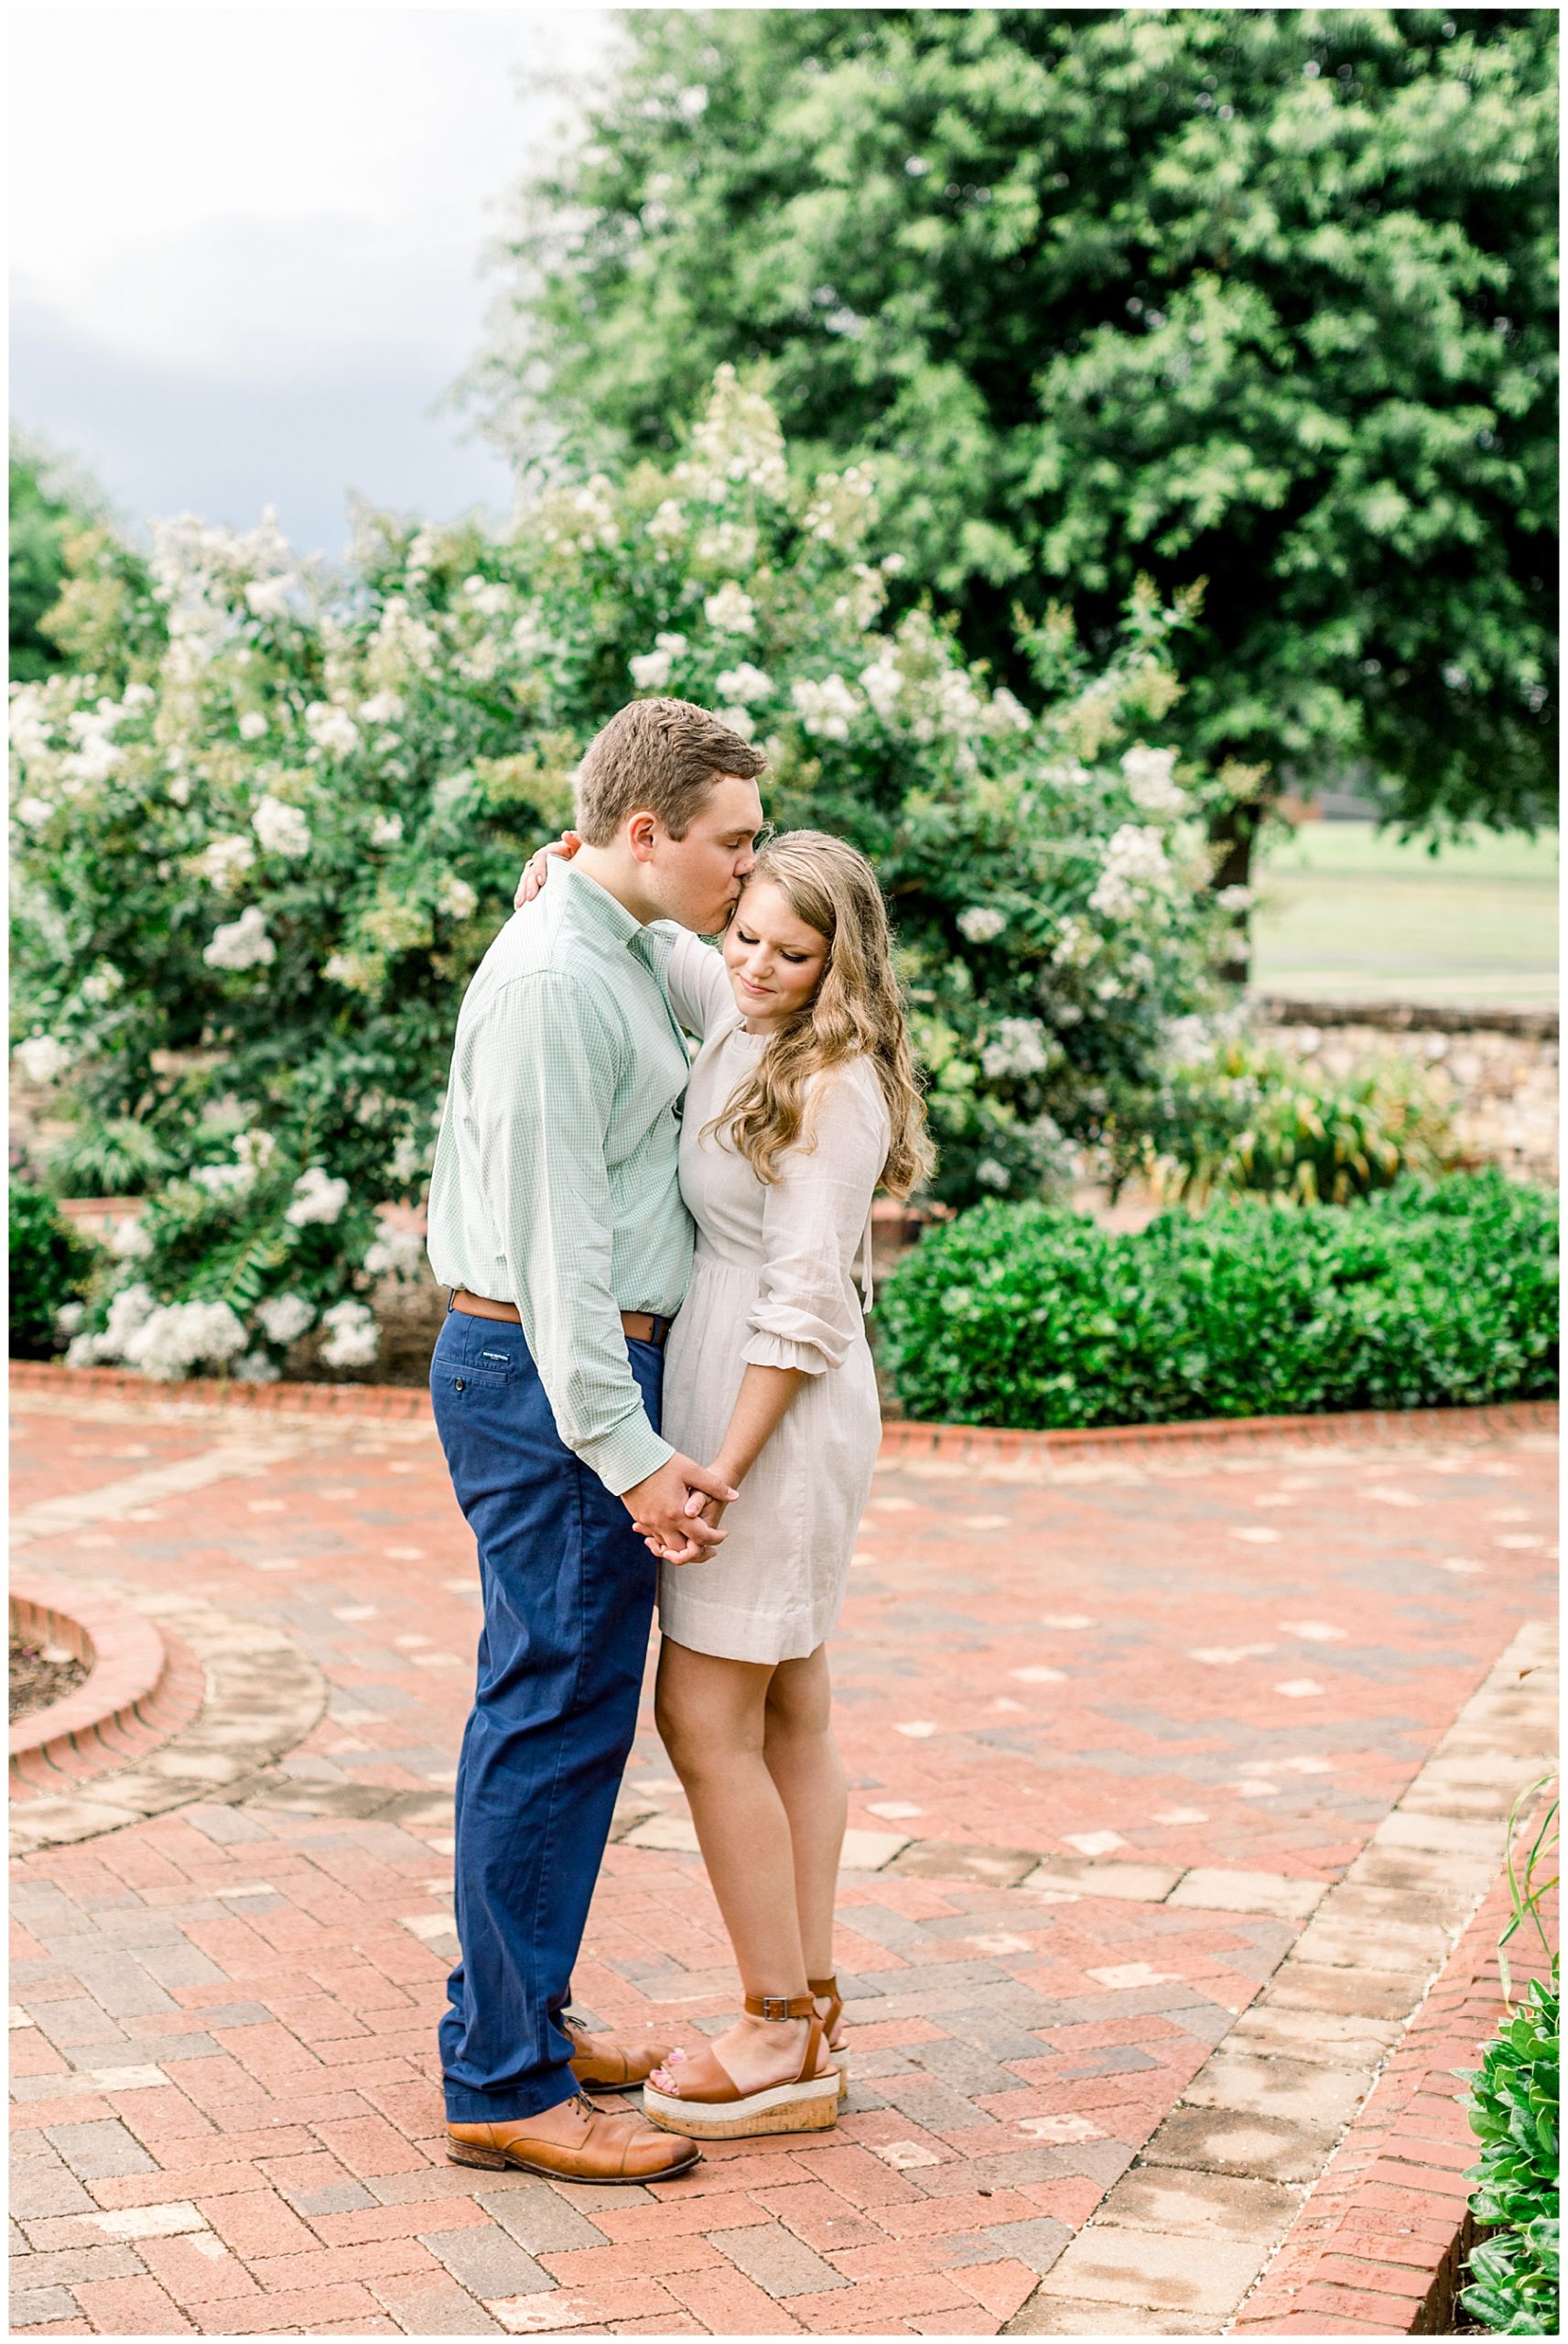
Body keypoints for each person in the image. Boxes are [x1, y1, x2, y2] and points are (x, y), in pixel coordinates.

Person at [515, 824, 931, 2141]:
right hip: (730, 1397)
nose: (754, 964)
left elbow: (806, 1308)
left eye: (790, 954)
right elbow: (663, 939)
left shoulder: (832, 1082)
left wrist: (722, 1476)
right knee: (791, 1708)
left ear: (837, 967)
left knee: (703, 1719)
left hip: (770, 1417)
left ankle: (771, 2026)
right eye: (746, 933)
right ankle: (809, 2002)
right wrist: (566, 870)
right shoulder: (742, 1013)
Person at [426, 696, 765, 2185]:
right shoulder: (558, 980)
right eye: (731, 844)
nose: (746, 872)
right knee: (548, 1721)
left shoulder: (617, 936)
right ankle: (503, 2082)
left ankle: (526, 2024)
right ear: (645, 831)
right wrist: (628, 1453)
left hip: (562, 1374)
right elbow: (559, 1250)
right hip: (550, 1376)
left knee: (560, 1718)